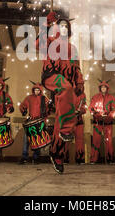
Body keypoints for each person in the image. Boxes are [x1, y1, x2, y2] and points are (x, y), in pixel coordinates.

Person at [36, 11, 85, 174]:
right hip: (52, 77)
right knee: (65, 88)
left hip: (68, 85)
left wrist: (79, 83)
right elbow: (37, 44)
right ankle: (65, 131)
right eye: (60, 25)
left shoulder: (73, 48)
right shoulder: (49, 41)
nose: (63, 28)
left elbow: (77, 68)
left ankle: (57, 154)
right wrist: (45, 23)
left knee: (61, 120)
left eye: (66, 26)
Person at [19, 82, 52, 164]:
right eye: (35, 90)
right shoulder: (29, 98)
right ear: (33, 90)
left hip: (40, 121)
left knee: (38, 140)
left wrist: (50, 106)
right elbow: (23, 105)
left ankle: (36, 157)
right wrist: (23, 110)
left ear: (40, 90)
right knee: (26, 139)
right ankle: (24, 156)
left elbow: (48, 111)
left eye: (38, 90)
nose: (36, 91)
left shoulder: (44, 98)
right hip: (30, 120)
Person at [89, 80, 115, 164]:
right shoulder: (95, 97)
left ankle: (110, 159)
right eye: (102, 87)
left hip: (108, 123)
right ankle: (93, 159)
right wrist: (96, 114)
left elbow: (114, 108)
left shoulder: (111, 97)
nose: (103, 88)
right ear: (100, 88)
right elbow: (91, 108)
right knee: (95, 141)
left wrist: (110, 115)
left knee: (108, 141)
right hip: (98, 122)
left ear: (107, 88)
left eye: (105, 87)